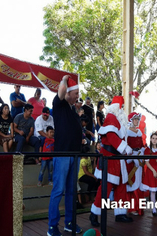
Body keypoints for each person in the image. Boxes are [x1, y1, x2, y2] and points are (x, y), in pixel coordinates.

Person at [89, 96, 133, 227]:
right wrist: (125, 148)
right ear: (117, 107)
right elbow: (112, 137)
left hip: (117, 159)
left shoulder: (117, 119)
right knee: (105, 189)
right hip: (109, 158)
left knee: (121, 187)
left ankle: (120, 214)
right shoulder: (111, 118)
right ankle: (94, 213)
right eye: (122, 107)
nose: (123, 109)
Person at [48, 75, 83, 236]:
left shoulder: (73, 110)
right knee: (58, 190)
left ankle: (69, 222)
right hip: (62, 154)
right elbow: (61, 90)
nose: (78, 96)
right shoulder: (59, 104)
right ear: (68, 93)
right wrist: (63, 79)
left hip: (74, 155)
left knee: (71, 191)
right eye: (75, 93)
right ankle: (52, 226)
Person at [141, 132, 157, 216]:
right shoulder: (147, 150)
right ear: (151, 139)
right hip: (151, 171)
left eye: (156, 138)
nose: (154, 140)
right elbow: (147, 162)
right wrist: (153, 171)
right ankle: (154, 208)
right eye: (153, 138)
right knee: (152, 191)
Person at [126, 112, 146, 216]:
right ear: (131, 120)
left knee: (140, 182)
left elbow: (142, 145)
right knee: (132, 181)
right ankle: (132, 207)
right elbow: (126, 146)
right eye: (135, 119)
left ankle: (140, 207)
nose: (137, 121)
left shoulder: (139, 132)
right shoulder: (127, 132)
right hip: (131, 158)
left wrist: (143, 151)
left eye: (138, 119)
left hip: (139, 156)